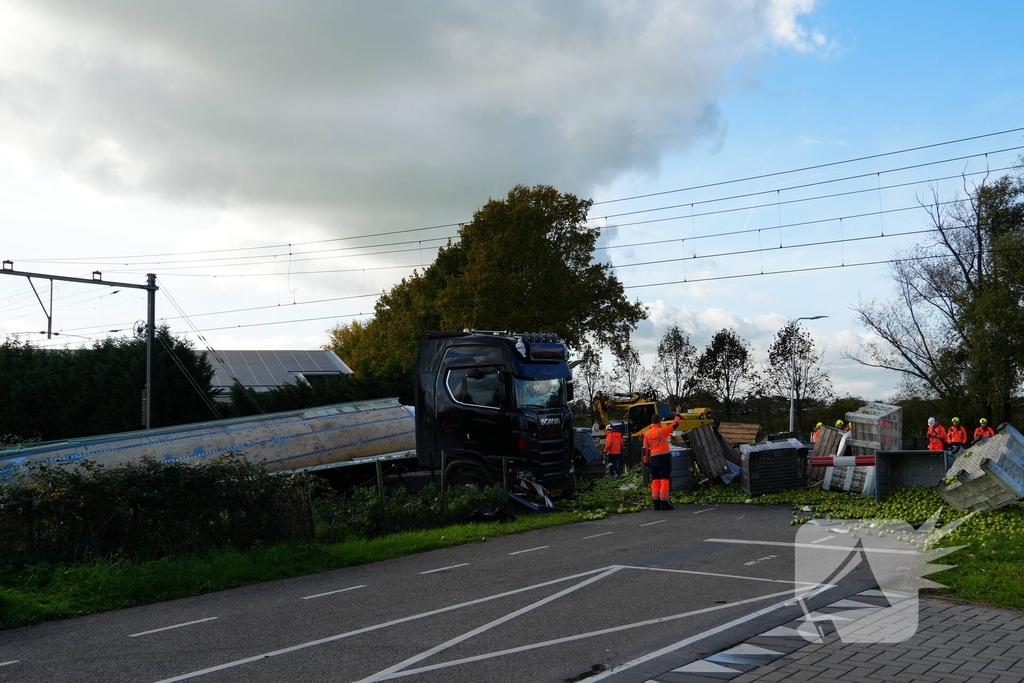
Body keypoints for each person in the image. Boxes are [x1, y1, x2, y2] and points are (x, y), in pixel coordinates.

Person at [643, 413, 680, 510]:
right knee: (664, 480)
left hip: (654, 458)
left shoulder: (647, 434)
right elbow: (675, 425)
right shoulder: (662, 431)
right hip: (664, 458)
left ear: (651, 422)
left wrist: (646, 461)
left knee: (655, 481)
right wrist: (678, 415)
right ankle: (664, 503)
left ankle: (656, 503)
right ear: (659, 421)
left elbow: (645, 449)